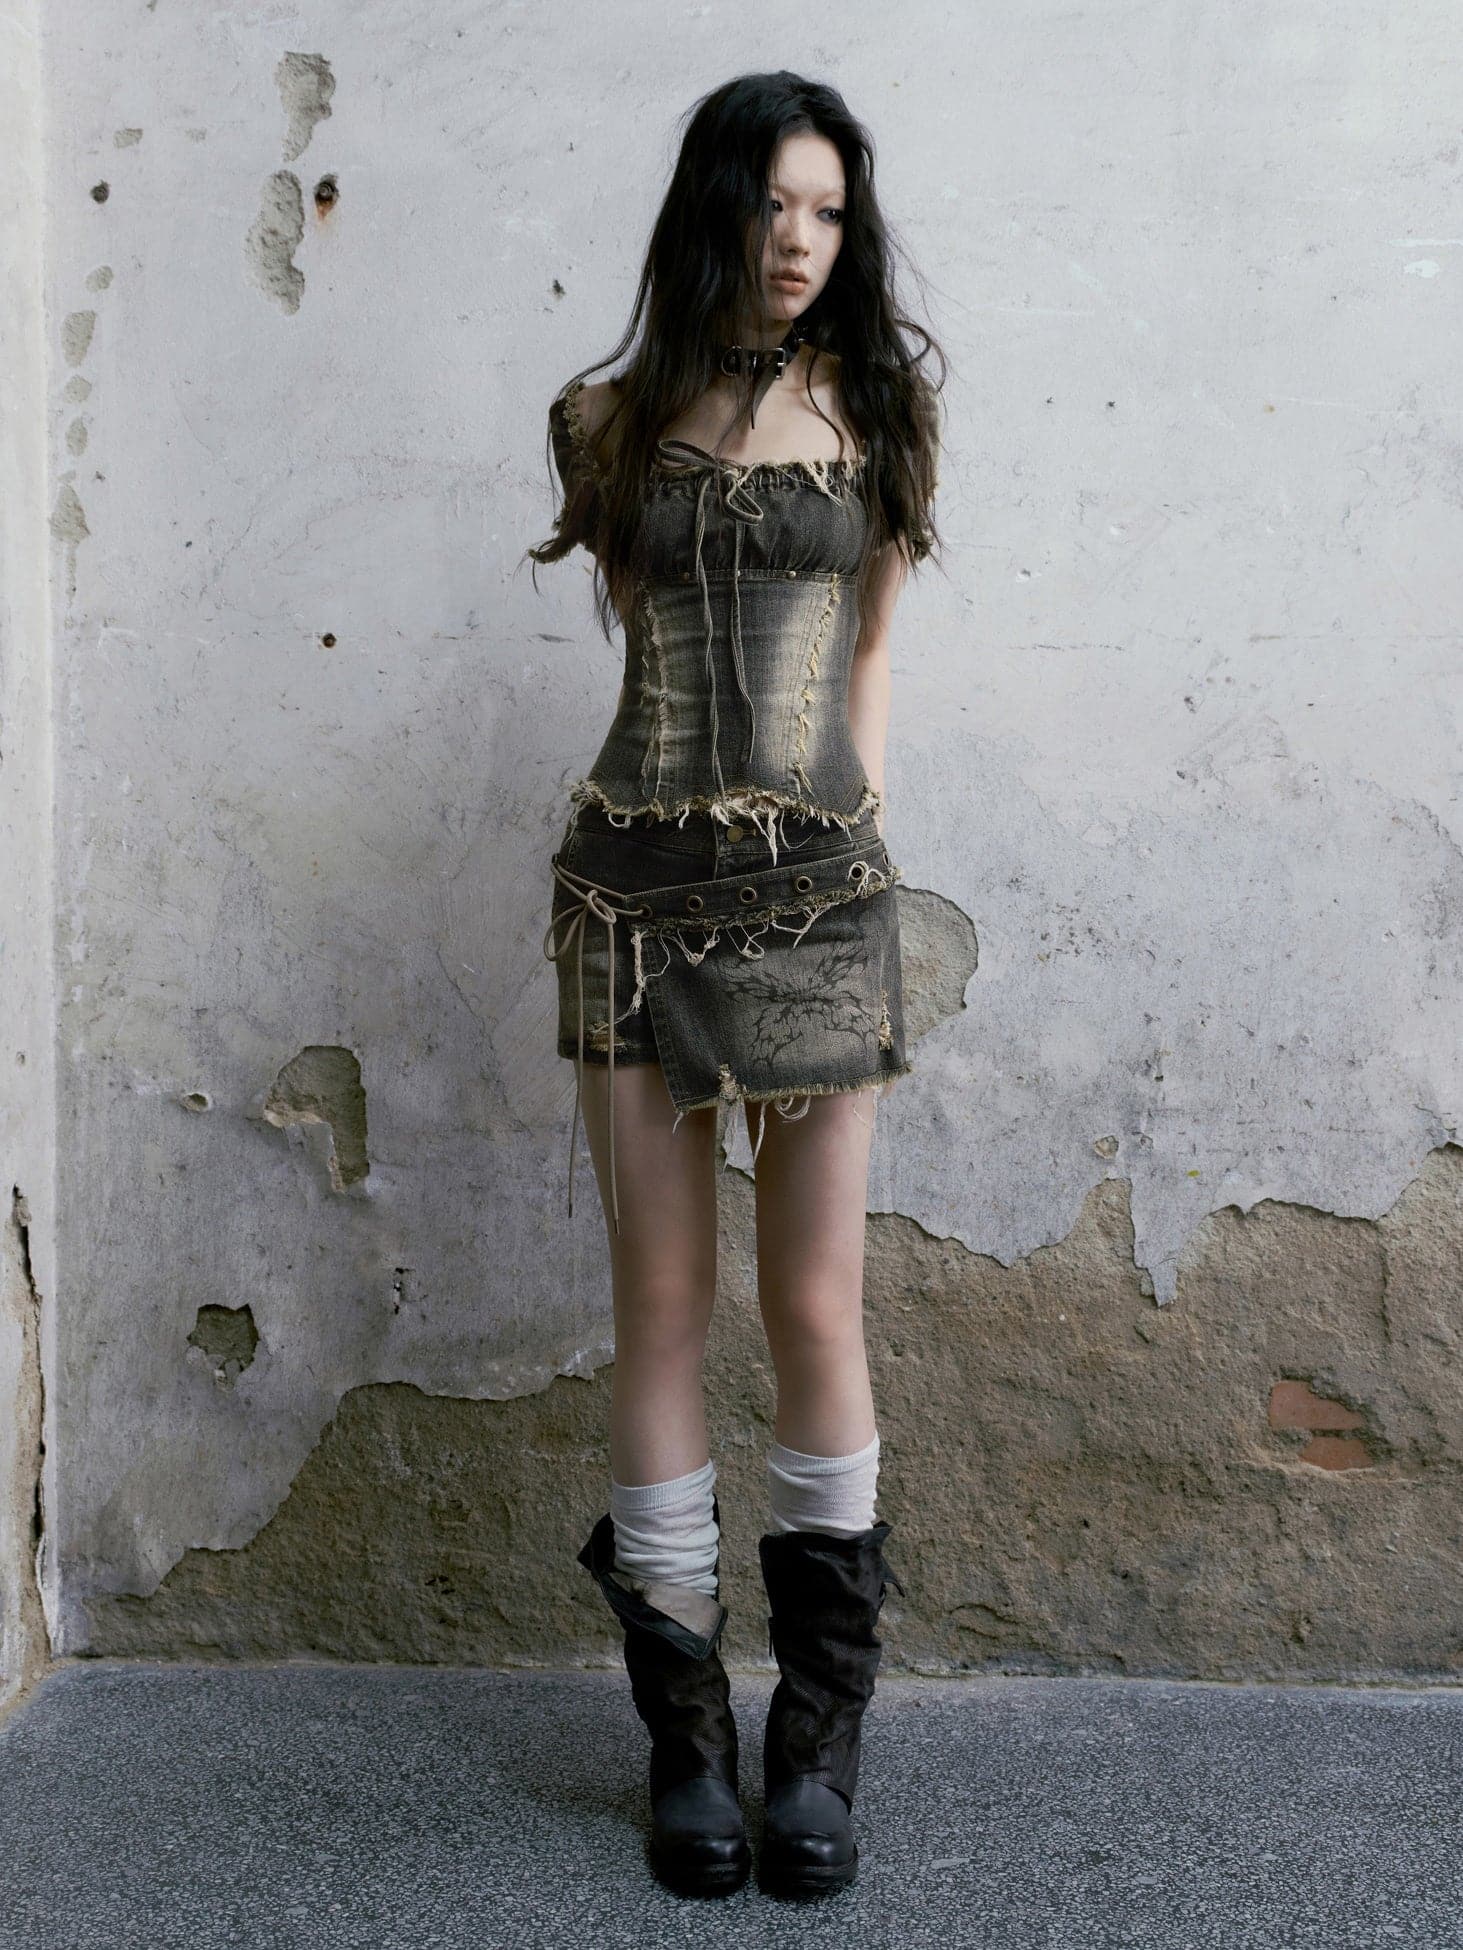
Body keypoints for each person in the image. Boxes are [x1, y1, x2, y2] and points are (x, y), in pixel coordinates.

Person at [525, 70, 944, 1901]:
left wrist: (857, 852)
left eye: (830, 211)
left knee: (819, 1305)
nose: (801, 241)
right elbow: (646, 643)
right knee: (663, 1307)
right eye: (774, 203)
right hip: (632, 895)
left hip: (821, 898)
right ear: (716, 208)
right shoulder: (606, 422)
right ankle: (687, 1741)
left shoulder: (883, 413)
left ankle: (818, 1745)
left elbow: (865, 674)